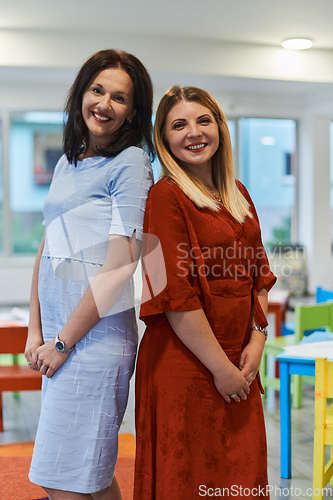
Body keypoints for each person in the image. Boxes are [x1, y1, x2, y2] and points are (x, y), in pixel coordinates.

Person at [134, 86, 276, 499]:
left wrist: (257, 338)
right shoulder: (164, 197)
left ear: (219, 127)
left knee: (241, 479)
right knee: (189, 482)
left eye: (203, 120)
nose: (193, 132)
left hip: (240, 360)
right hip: (187, 365)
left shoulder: (237, 192)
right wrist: (221, 368)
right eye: (179, 124)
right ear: (164, 139)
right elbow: (174, 295)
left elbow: (259, 274)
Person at [25, 49, 154, 500]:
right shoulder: (68, 161)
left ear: (133, 112)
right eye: (97, 90)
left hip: (94, 343)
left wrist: (62, 342)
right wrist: (35, 330)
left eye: (119, 97)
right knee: (89, 478)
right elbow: (47, 248)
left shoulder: (133, 164)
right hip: (62, 337)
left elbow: (121, 265)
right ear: (81, 93)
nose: (104, 103)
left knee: (64, 483)